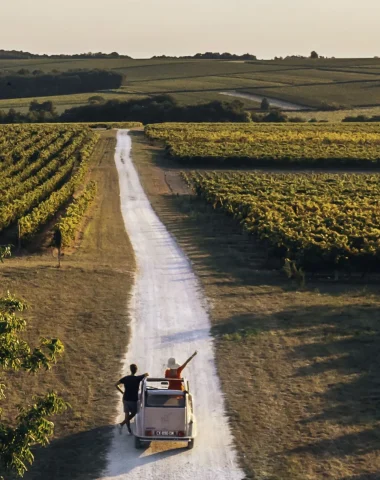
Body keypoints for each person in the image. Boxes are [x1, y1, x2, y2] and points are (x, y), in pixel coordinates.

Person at [115, 364, 148, 434]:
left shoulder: (126, 378)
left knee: (126, 414)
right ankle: (121, 424)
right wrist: (146, 374)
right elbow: (146, 374)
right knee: (134, 413)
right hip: (133, 399)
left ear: (130, 370)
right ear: (136, 370)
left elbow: (116, 384)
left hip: (125, 398)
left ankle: (129, 430)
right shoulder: (137, 378)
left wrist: (122, 392)